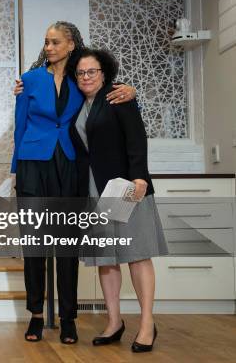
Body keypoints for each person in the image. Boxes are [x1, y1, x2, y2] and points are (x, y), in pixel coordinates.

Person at [11, 21, 136, 345]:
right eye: (46, 42)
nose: (48, 48)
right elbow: (20, 125)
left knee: (66, 246)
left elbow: (106, 94)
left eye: (54, 42)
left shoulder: (81, 79)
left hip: (70, 164)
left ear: (70, 45)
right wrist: (15, 172)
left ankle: (68, 318)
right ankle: (36, 315)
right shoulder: (29, 80)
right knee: (35, 245)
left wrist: (131, 90)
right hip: (32, 164)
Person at [69, 48, 167, 353]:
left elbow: (136, 137)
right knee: (106, 259)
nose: (86, 77)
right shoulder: (78, 105)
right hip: (95, 190)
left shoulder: (118, 96)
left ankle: (147, 323)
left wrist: (139, 176)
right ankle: (114, 322)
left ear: (104, 73)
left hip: (125, 186)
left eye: (92, 72)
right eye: (81, 73)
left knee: (137, 254)